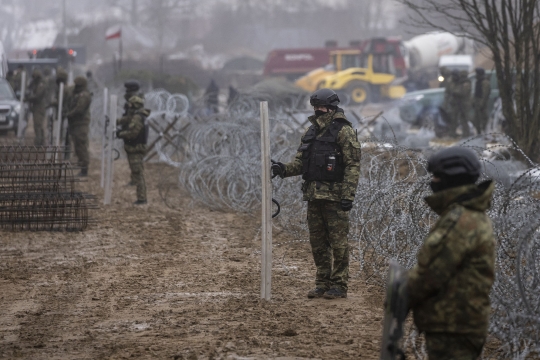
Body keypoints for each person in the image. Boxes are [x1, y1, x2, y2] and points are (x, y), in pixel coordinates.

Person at [407, 147, 495, 360]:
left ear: (451, 179)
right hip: (456, 324)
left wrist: (402, 294)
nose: (433, 182)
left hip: (455, 327)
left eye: (437, 176)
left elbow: (432, 275)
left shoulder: (461, 221)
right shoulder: (465, 214)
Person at [272, 88, 361, 299]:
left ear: (331, 108)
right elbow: (301, 164)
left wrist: (348, 195)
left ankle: (339, 285)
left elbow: (352, 165)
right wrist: (283, 169)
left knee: (338, 244)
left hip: (335, 197)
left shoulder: (343, 131)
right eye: (315, 107)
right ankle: (322, 282)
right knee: (318, 244)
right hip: (314, 196)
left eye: (321, 107)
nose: (317, 111)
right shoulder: (310, 132)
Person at [117, 96, 149, 205]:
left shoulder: (138, 117)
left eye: (130, 105)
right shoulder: (139, 116)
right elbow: (126, 120)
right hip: (136, 147)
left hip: (136, 148)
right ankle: (141, 198)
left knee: (138, 173)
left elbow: (133, 133)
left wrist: (119, 134)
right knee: (137, 172)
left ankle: (142, 198)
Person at [66, 76, 92, 176]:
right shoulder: (78, 94)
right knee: (77, 146)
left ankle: (84, 169)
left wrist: (69, 114)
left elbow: (79, 109)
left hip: (81, 124)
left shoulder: (84, 95)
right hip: (76, 124)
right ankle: (82, 166)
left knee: (81, 146)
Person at [26, 69, 47, 146]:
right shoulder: (35, 84)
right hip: (36, 107)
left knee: (38, 125)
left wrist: (29, 98)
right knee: (38, 125)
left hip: (39, 107)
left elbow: (37, 96)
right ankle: (41, 142)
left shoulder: (41, 85)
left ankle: (38, 142)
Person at [453, 70, 472, 137]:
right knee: (462, 120)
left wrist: (455, 91)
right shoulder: (462, 82)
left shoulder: (466, 83)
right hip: (462, 103)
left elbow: (463, 93)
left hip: (465, 104)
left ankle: (467, 134)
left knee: (465, 119)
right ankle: (465, 134)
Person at [440, 70, 459, 137]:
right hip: (453, 103)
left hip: (460, 103)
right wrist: (446, 104)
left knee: (460, 119)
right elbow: (447, 94)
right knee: (452, 119)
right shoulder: (450, 82)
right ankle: (452, 133)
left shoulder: (460, 82)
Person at [472, 68, 491, 134]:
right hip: (478, 101)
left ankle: (484, 132)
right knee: (476, 118)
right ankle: (479, 132)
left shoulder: (484, 82)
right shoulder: (479, 81)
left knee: (484, 117)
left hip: (481, 102)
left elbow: (485, 94)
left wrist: (482, 103)